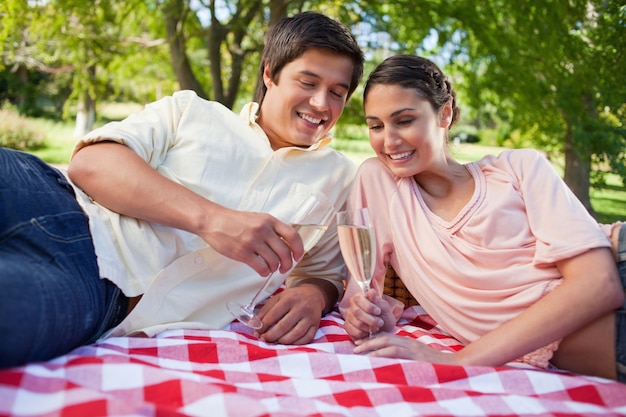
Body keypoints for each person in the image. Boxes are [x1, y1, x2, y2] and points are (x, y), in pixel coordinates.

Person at [0, 11, 365, 369]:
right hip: (51, 199)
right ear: (270, 73)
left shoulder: (339, 178)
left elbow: (324, 273)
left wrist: (315, 294)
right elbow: (91, 163)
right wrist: (212, 220)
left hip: (96, 292)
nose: (321, 103)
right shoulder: (191, 111)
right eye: (308, 82)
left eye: (337, 92)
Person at [339, 54, 626, 382]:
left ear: (444, 114)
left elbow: (599, 283)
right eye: (375, 126)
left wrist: (459, 362)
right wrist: (368, 314)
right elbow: (361, 296)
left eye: (404, 120)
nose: (388, 140)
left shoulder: (519, 168)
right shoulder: (379, 181)